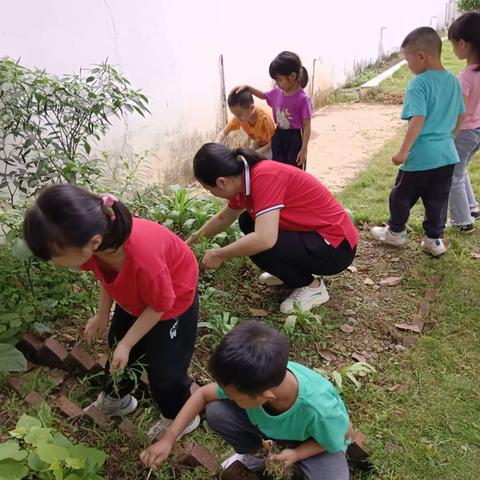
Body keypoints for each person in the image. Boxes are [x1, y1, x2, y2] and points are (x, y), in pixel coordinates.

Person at [23, 184, 200, 439]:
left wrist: (129, 343)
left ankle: (179, 417)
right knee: (116, 346)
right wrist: (102, 314)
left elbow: (160, 305)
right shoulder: (98, 242)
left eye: (54, 256)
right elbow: (104, 276)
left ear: (92, 242)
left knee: (165, 371)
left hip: (173, 302)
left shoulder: (143, 257)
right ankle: (118, 400)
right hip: (136, 298)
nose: (52, 262)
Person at [140, 320, 352, 480]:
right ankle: (258, 454)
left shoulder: (319, 409)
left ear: (266, 396)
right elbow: (203, 394)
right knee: (217, 412)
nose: (229, 397)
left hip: (314, 441)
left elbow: (343, 434)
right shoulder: (253, 379)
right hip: (273, 427)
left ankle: (292, 458)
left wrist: (297, 454)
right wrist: (169, 438)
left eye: (235, 397)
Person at [186, 143, 358, 313]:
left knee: (258, 245)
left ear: (221, 182)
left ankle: (312, 288)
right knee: (248, 221)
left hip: (336, 248)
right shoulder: (243, 181)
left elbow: (264, 239)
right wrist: (188, 243)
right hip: (315, 236)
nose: (211, 193)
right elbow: (224, 218)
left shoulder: (264, 176)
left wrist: (219, 254)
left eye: (209, 189)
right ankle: (289, 272)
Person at [370, 27, 465, 256]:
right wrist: (450, 136)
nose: (408, 65)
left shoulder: (419, 83)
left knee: (401, 195)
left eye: (407, 59)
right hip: (447, 155)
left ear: (421, 56)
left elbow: (418, 118)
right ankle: (434, 240)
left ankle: (395, 232)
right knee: (438, 199)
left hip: (422, 154)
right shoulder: (453, 80)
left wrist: (403, 151)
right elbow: (462, 113)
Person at [237, 51, 312, 169]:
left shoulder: (303, 99)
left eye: (279, 79)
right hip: (279, 134)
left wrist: (304, 149)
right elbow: (263, 95)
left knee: (294, 167)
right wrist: (248, 88)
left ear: (292, 76)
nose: (277, 83)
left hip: (295, 138)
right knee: (278, 166)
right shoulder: (277, 92)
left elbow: (307, 126)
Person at [448, 12, 480, 233]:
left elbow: (461, 112)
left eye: (453, 43)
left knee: (452, 175)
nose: (452, 48)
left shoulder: (466, 77)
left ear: (463, 43)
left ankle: (463, 221)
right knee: (461, 169)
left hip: (465, 131)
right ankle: (471, 207)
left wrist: (450, 135)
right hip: (478, 130)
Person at [215, 88, 275, 158]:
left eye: (239, 115)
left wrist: (256, 153)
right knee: (247, 157)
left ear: (252, 108)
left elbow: (273, 142)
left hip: (272, 145)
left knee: (261, 161)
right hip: (258, 141)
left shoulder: (265, 119)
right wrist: (215, 145)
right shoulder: (240, 117)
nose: (236, 118)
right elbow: (224, 132)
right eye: (234, 114)